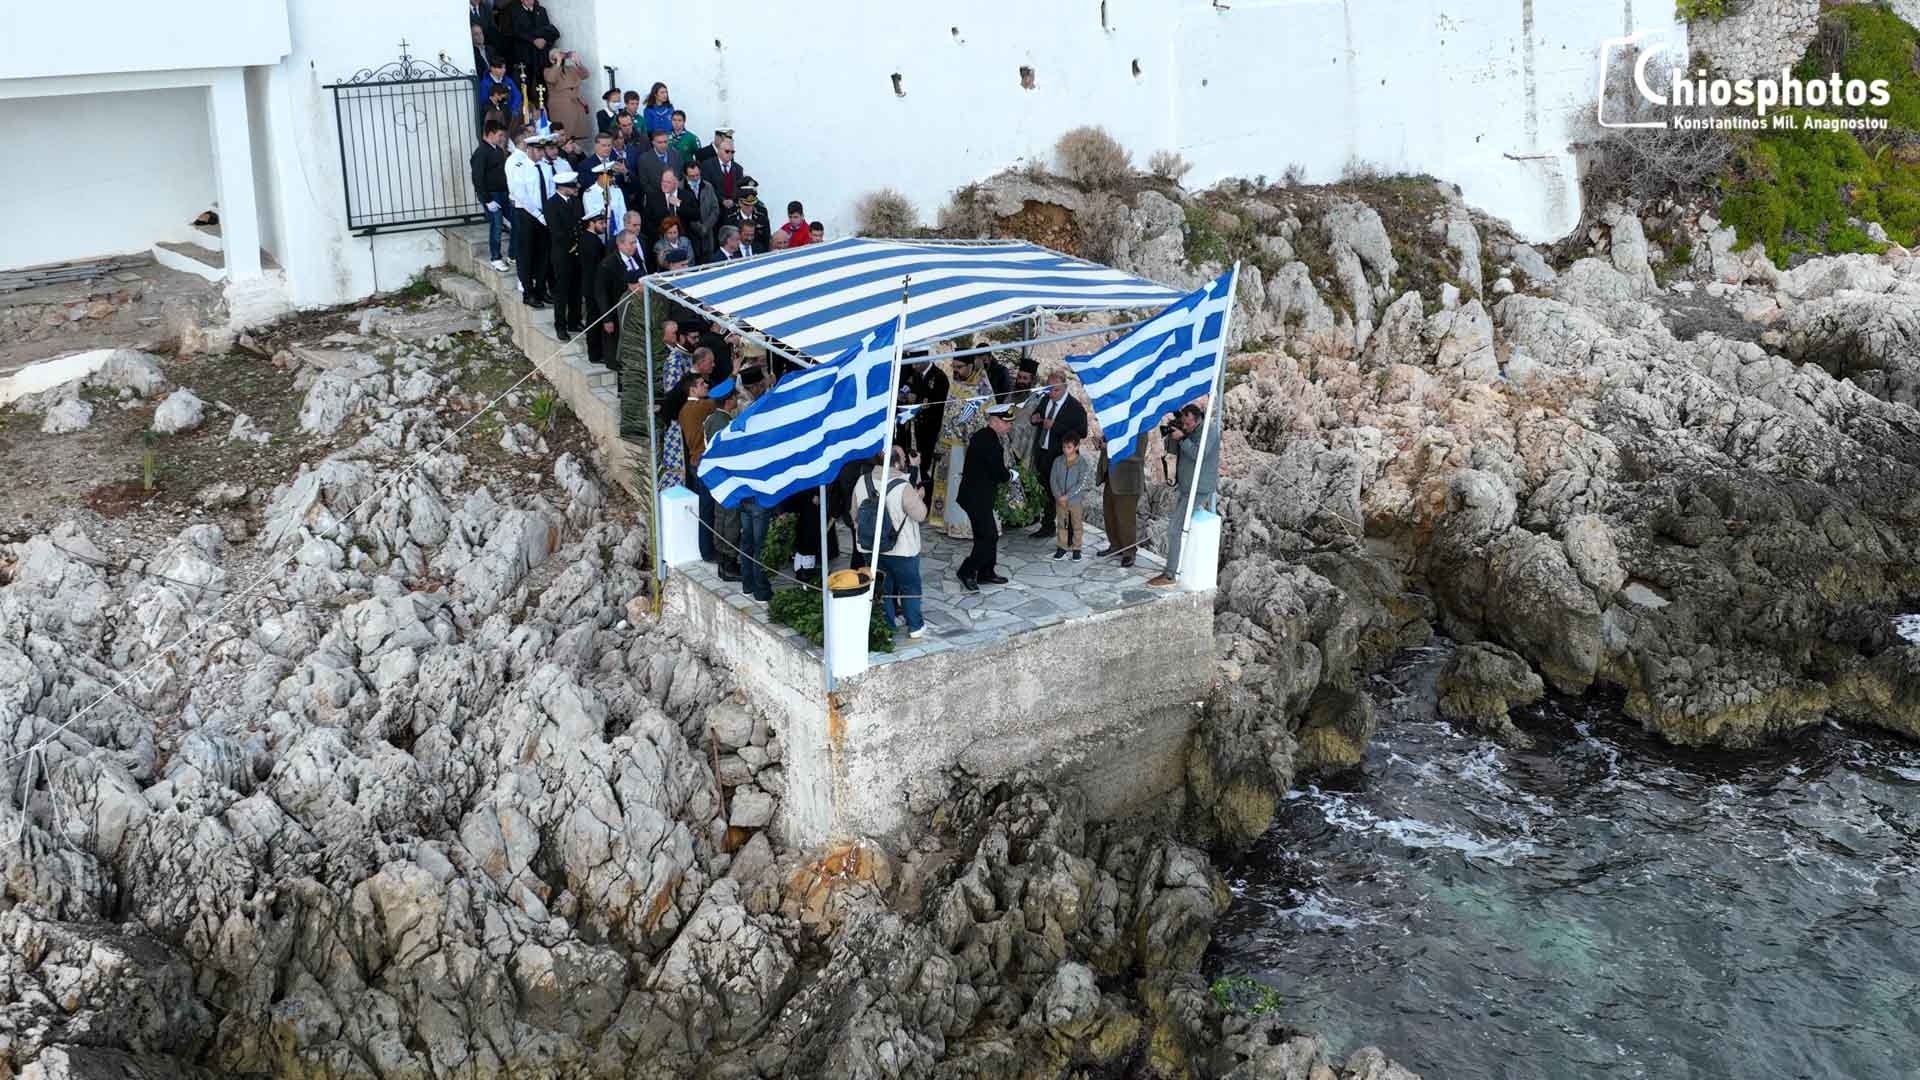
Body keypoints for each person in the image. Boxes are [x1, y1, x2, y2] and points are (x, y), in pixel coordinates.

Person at [854, 445, 931, 638]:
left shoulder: (862, 481)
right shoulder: (903, 486)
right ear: (896, 463)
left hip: (870, 548)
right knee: (909, 587)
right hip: (902, 550)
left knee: (882, 588)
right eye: (903, 458)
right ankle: (915, 626)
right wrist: (919, 497)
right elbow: (921, 515)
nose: (906, 461)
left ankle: (887, 628)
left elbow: (854, 514)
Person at [1150, 401, 1221, 588]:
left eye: (1189, 424)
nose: (1186, 426)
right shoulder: (1189, 430)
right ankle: (1172, 570)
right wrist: (1173, 436)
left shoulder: (1209, 432)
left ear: (1197, 420)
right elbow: (1173, 451)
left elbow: (1198, 455)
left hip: (1199, 488)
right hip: (1186, 487)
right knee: (1176, 526)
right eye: (1184, 423)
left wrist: (1183, 438)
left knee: (1175, 528)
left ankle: (1170, 574)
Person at [955, 404, 1014, 592]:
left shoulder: (987, 436)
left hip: (980, 495)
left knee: (987, 535)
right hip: (975, 497)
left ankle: (986, 572)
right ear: (995, 421)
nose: (1009, 426)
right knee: (988, 536)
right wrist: (1010, 475)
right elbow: (998, 471)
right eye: (1006, 422)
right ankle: (967, 571)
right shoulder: (987, 440)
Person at [1028, 369, 1088, 541]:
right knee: (1046, 492)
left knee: (1064, 496)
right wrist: (1034, 418)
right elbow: (1037, 416)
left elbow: (1082, 433)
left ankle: (1070, 534)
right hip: (1043, 454)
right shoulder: (1045, 400)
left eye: (1055, 390)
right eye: (1049, 389)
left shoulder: (1075, 407)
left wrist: (1055, 426)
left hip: (1062, 458)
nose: (1051, 393)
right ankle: (1047, 526)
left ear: (1064, 388)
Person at [702, 379, 743, 581]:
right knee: (730, 520)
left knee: (721, 518)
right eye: (735, 397)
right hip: (728, 478)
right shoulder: (725, 424)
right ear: (728, 401)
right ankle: (729, 566)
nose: (737, 399)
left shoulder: (712, 419)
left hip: (718, 478)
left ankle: (724, 564)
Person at [506, 130, 550, 307]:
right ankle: (528, 292)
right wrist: (538, 214)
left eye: (543, 150)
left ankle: (541, 289)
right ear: (529, 150)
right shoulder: (520, 166)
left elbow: (549, 190)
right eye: (538, 150)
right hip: (526, 214)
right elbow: (520, 194)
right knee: (526, 254)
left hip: (543, 214)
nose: (541, 153)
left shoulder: (545, 166)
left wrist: (547, 213)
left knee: (543, 253)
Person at [544, 168, 584, 338]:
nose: (575, 189)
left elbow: (580, 223)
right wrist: (573, 244)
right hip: (563, 253)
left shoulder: (575, 202)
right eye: (571, 186)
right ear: (562, 187)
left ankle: (574, 321)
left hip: (577, 252)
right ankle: (560, 325)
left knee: (576, 288)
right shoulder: (551, 204)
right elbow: (556, 231)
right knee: (562, 291)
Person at [1097, 434, 1144, 568]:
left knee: (1126, 518)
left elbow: (1137, 455)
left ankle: (1129, 551)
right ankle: (1115, 546)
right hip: (1111, 477)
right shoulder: (1117, 424)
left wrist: (1110, 447)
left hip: (1127, 481)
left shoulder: (1140, 427)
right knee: (1109, 514)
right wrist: (1102, 442)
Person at [470, 119, 512, 271]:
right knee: (496, 225)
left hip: (503, 194)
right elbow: (477, 178)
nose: (502, 138)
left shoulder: (498, 150)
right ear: (490, 134)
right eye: (500, 135)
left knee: (516, 222)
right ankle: (496, 258)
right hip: (492, 196)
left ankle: (513, 254)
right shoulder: (481, 152)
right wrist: (487, 200)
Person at [656, 371, 707, 490]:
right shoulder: (702, 407)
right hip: (699, 460)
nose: (706, 385)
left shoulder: (684, 410)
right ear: (692, 390)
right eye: (702, 384)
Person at [1050, 437, 1091, 561]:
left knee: (1076, 524)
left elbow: (1081, 483)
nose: (1065, 450)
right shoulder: (1058, 461)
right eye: (1064, 447)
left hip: (1075, 501)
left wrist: (1067, 496)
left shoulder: (1082, 463)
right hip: (1060, 500)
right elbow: (1053, 480)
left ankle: (1076, 548)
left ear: (1076, 447)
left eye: (1069, 447)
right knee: (1061, 523)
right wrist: (1058, 496)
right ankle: (1061, 547)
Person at [508, 0, 559, 90]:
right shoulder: (515, 11)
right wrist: (533, 40)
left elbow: (547, 29)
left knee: (542, 81)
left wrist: (544, 40)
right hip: (525, 53)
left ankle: (543, 98)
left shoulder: (541, 10)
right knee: (526, 81)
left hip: (540, 53)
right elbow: (516, 32)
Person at [543, 49, 591, 142]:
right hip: (561, 106)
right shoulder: (548, 71)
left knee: (577, 134)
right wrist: (558, 63)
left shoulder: (571, 69)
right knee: (564, 134)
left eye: (562, 55)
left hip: (575, 104)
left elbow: (585, 75)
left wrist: (577, 62)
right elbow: (551, 79)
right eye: (558, 55)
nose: (561, 57)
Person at [642, 170, 687, 266]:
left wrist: (679, 204)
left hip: (683, 242)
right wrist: (661, 235)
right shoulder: (652, 197)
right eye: (663, 181)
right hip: (661, 243)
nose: (664, 184)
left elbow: (695, 214)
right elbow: (647, 221)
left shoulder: (685, 195)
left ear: (675, 183)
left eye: (668, 182)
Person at [681, 158, 721, 262]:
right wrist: (698, 227)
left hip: (707, 234)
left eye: (697, 175)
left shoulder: (708, 186)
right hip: (689, 235)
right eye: (692, 176)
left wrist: (706, 226)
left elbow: (715, 209)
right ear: (685, 176)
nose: (695, 178)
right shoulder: (680, 188)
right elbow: (683, 212)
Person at [738, 493, 775, 603]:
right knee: (759, 547)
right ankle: (761, 592)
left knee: (747, 545)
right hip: (761, 501)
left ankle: (748, 586)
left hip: (745, 500)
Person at [583, 159, 626, 236]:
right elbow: (592, 218)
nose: (613, 179)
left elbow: (622, 212)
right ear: (601, 176)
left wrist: (621, 232)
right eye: (610, 177)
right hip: (600, 234)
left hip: (618, 232)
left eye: (613, 176)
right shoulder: (589, 194)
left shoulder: (617, 190)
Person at [634, 128, 683, 193]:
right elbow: (644, 184)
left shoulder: (676, 155)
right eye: (660, 142)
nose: (663, 145)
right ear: (653, 143)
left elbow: (680, 177)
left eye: (665, 142)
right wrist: (660, 197)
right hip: (655, 197)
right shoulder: (644, 159)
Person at [477, 55, 522, 120]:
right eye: (500, 68)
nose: (503, 70)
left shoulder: (508, 80)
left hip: (509, 113)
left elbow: (517, 95)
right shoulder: (484, 83)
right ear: (492, 68)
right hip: (493, 117)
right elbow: (483, 102)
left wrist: (513, 108)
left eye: (504, 68)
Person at [707, 136, 744, 211]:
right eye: (727, 151)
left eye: (732, 152)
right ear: (719, 151)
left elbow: (739, 189)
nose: (730, 154)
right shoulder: (707, 165)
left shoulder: (738, 169)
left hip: (733, 209)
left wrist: (732, 201)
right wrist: (722, 200)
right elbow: (707, 187)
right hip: (714, 207)